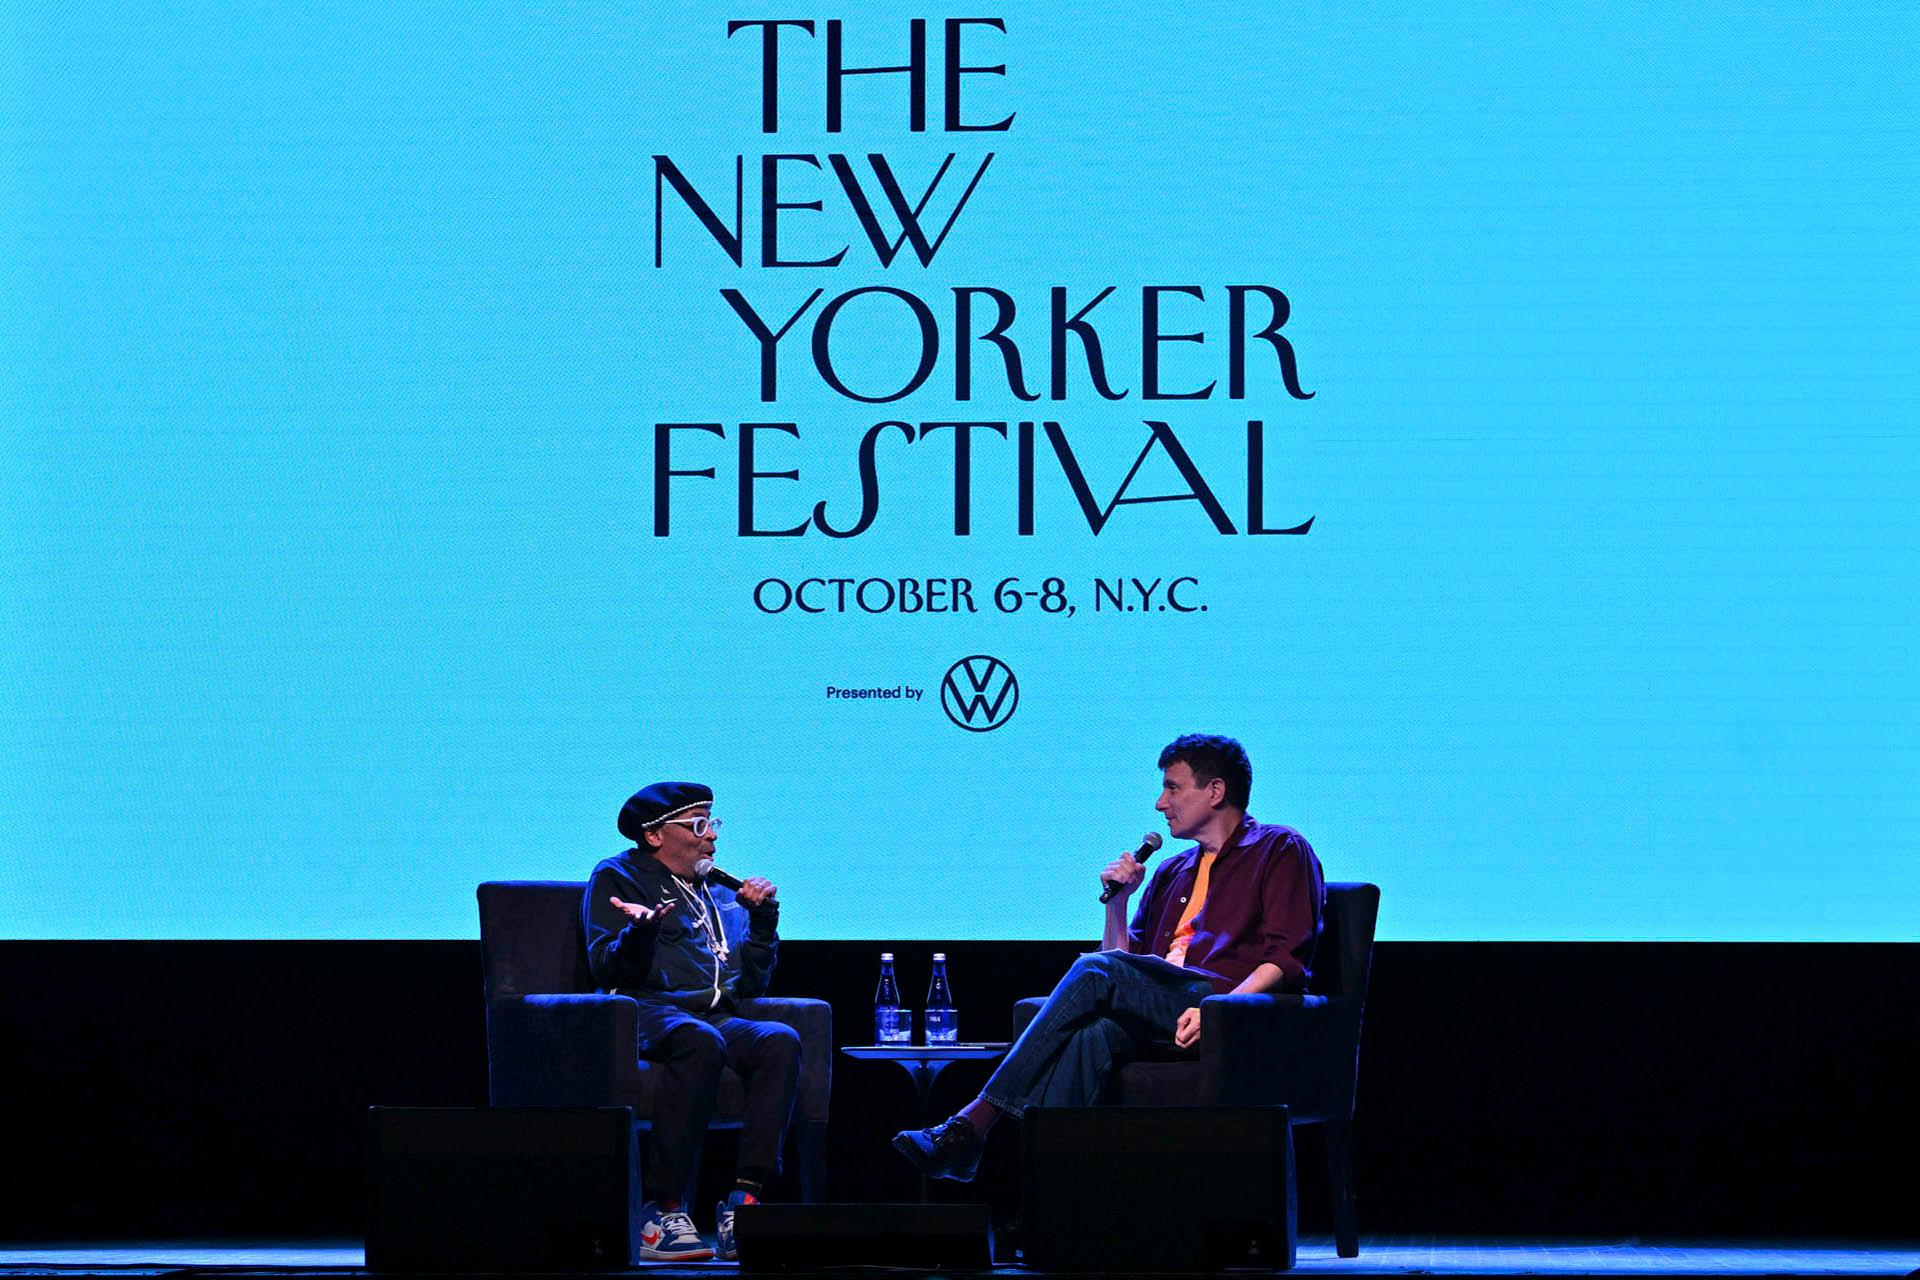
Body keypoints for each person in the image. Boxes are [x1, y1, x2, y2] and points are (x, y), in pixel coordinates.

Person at [892, 733, 1325, 1181]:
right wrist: (1117, 904)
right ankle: (1054, 1207)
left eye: (1173, 788)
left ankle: (973, 1124)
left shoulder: (1279, 848)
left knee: (1094, 970)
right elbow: (1124, 967)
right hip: (1161, 1007)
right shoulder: (1173, 871)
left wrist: (1220, 1008)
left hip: (1222, 1005)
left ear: (1215, 791)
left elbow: (1285, 958)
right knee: (1090, 1035)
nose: (1161, 803)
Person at [583, 781, 800, 1262]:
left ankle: (745, 1203)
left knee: (779, 1040)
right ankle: (662, 1211)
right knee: (699, 1042)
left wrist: (763, 924)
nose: (712, 838)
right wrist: (641, 933)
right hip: (646, 1009)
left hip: (715, 1013)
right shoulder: (617, 876)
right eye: (699, 826)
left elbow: (753, 985)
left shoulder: (718, 890)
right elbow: (605, 966)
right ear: (656, 835)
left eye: (713, 824)